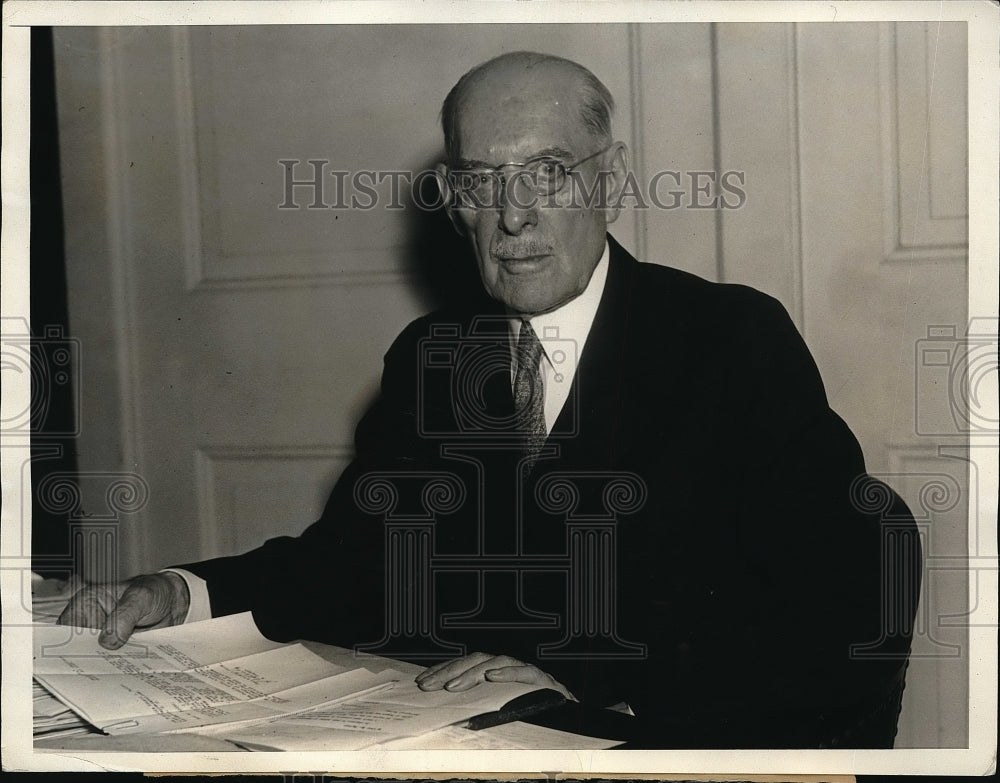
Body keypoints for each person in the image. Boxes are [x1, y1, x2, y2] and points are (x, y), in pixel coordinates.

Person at [59, 51, 921, 748]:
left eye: (546, 174)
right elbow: (357, 564)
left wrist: (594, 682)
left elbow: (835, 607)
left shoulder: (729, 341)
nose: (512, 219)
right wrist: (182, 590)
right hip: (485, 737)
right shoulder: (435, 357)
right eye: (479, 182)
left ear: (609, 181)